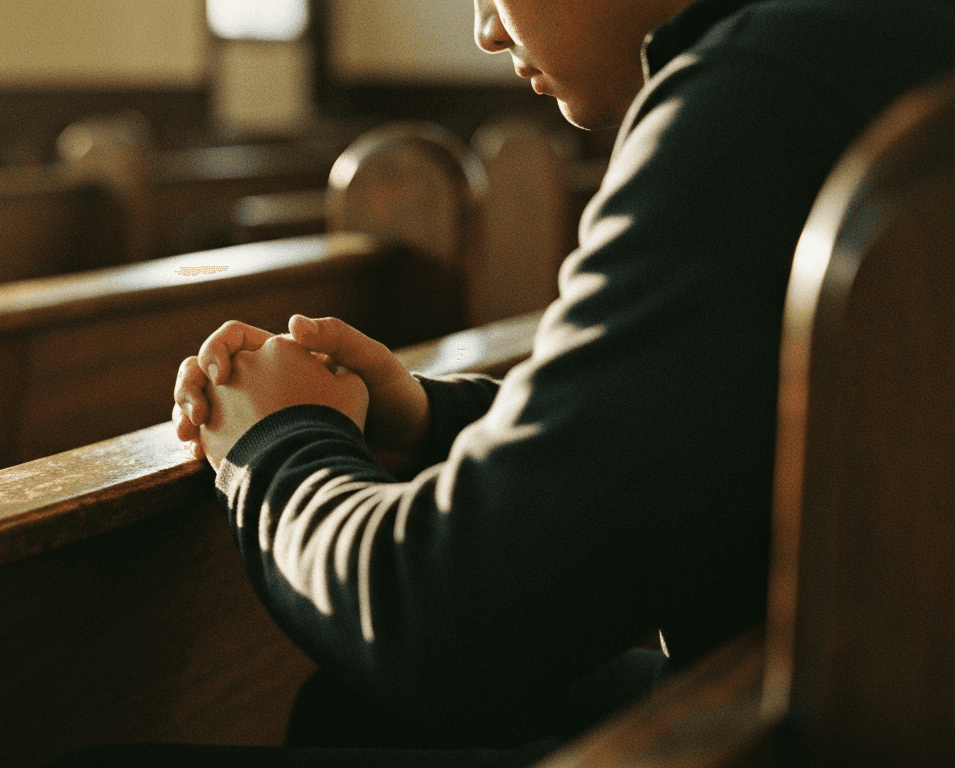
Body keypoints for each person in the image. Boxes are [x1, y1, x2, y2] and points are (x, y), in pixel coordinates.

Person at [54, 0, 955, 765]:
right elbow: (715, 429)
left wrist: (273, 444)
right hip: (879, 682)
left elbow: (442, 622)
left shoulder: (767, 86)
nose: (484, 28)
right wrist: (433, 418)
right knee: (356, 721)